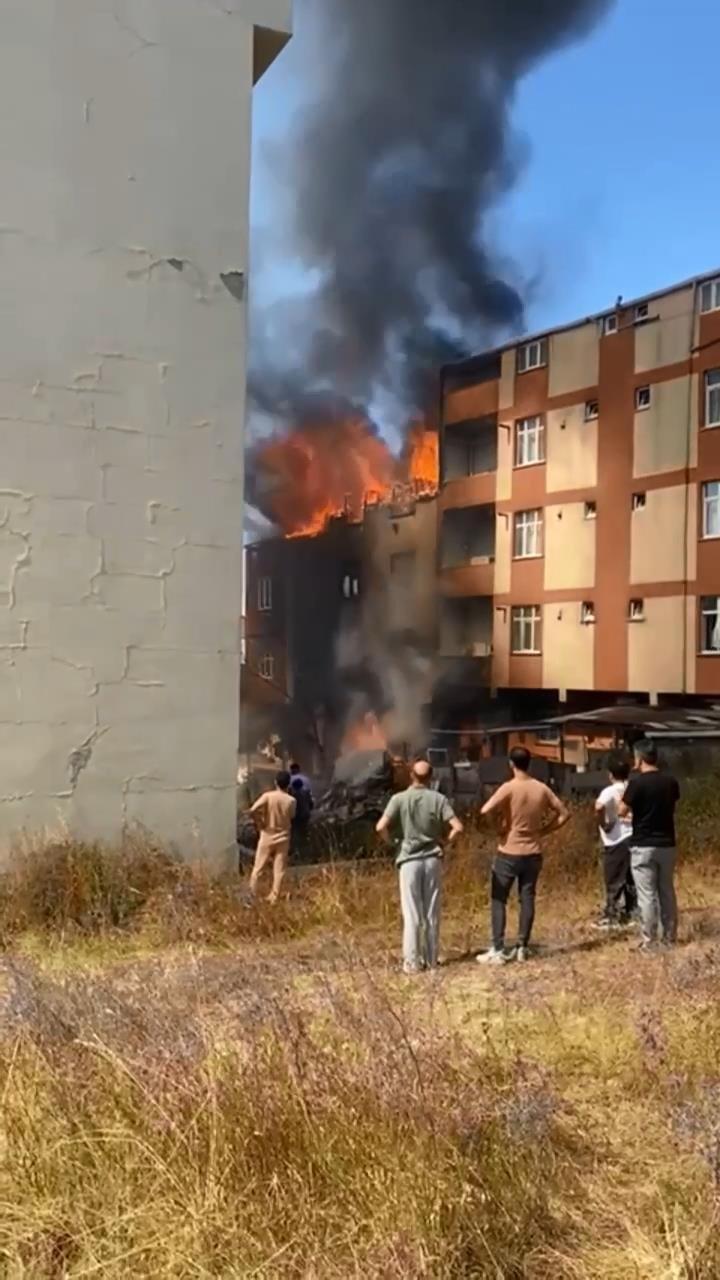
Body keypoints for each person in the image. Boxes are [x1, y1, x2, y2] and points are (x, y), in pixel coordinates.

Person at [478, 747, 570, 964]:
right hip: (533, 851)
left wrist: (497, 829)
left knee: (499, 898)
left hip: (509, 850)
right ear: (530, 763)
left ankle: (498, 948)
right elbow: (564, 813)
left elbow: (485, 810)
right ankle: (522, 946)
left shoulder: (509, 788)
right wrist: (545, 830)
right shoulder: (541, 788)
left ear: (511, 763)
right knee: (527, 898)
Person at [376, 760, 463, 974]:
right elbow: (458, 827)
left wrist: (394, 844)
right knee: (431, 912)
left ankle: (412, 963)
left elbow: (380, 827)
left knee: (412, 913)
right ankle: (431, 960)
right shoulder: (438, 799)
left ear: (411, 775)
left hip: (409, 861)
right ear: (431, 777)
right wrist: (445, 842)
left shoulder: (398, 799)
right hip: (432, 859)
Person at [618, 740, 680, 951]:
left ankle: (649, 941)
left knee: (646, 895)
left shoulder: (636, 783)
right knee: (667, 892)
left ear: (640, 758)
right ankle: (670, 938)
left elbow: (621, 811)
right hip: (667, 843)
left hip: (643, 844)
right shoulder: (671, 781)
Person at [594, 752, 637, 928]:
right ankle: (632, 912)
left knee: (613, 879)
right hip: (633, 835)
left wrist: (603, 823)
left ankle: (611, 915)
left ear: (610, 774)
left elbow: (598, 806)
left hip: (615, 839)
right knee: (630, 878)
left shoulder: (609, 790)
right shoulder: (633, 787)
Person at [248, 771, 296, 904]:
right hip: (283, 836)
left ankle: (252, 895)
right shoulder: (291, 800)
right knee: (279, 869)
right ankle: (274, 897)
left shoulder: (268, 796)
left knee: (258, 867)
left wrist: (260, 822)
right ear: (288, 784)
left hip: (267, 835)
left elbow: (252, 810)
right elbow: (291, 816)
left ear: (276, 782)